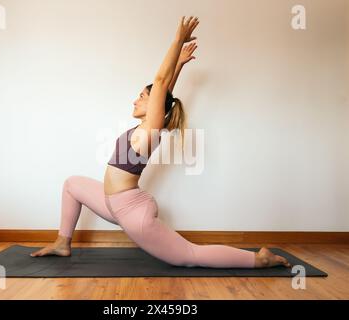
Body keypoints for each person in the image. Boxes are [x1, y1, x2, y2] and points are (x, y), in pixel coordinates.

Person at [31, 16, 291, 269]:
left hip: (132, 212)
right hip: (113, 203)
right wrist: (178, 64)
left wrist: (177, 40)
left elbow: (160, 84)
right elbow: (164, 94)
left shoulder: (150, 130)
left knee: (189, 256)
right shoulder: (148, 126)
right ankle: (62, 243)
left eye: (142, 96)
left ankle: (258, 259)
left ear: (153, 104)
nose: (135, 100)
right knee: (72, 185)